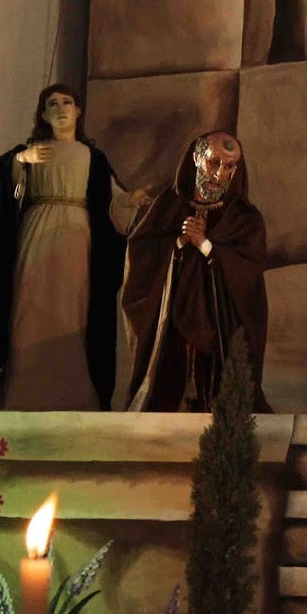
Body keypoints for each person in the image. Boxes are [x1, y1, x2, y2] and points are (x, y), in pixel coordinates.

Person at [0, 84, 149, 411]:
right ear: (43, 115)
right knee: (29, 313)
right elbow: (3, 185)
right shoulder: (32, 151)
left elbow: (111, 203)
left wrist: (130, 201)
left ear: (78, 111)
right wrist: (21, 159)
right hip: (36, 236)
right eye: (52, 104)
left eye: (67, 102)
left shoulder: (92, 158)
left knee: (71, 316)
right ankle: (22, 397)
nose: (61, 109)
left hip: (76, 241)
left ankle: (75, 400)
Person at [122, 131, 271, 413]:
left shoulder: (244, 217)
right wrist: (179, 242)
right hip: (173, 324)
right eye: (214, 162)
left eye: (229, 166)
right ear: (196, 158)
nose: (219, 173)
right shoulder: (168, 205)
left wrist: (205, 245)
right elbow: (141, 254)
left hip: (218, 324)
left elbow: (249, 268)